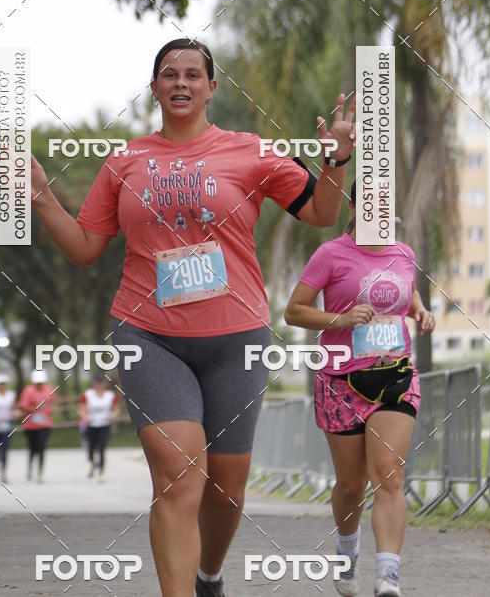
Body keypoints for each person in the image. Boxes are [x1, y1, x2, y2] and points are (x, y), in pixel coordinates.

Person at [27, 37, 356, 597]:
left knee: (226, 490)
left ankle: (209, 577)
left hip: (238, 339)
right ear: (153, 87)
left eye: (192, 74)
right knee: (178, 478)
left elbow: (323, 213)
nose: (181, 82)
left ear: (210, 87)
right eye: (169, 74)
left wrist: (337, 158)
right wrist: (40, 196)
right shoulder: (124, 161)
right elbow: (85, 248)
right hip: (149, 336)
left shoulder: (252, 151)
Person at [285, 180, 436, 597]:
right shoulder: (330, 255)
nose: (380, 210)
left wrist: (420, 311)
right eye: (372, 202)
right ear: (355, 205)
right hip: (340, 382)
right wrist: (342, 319)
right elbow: (294, 311)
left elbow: (407, 292)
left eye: (386, 203)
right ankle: (346, 550)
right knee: (351, 486)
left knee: (388, 475)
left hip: (396, 374)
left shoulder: (404, 253)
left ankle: (388, 575)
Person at [78, 372, 120, 481]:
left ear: (104, 384)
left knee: (101, 448)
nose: (99, 385)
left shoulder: (110, 396)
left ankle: (101, 473)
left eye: (101, 383)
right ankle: (92, 464)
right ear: (93, 383)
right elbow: (81, 409)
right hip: (91, 426)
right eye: (97, 383)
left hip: (104, 425)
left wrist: (112, 416)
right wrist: (85, 417)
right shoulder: (87, 395)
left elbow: (116, 410)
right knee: (91, 449)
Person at [18, 369, 55, 483]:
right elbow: (23, 406)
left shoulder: (49, 389)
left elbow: (52, 402)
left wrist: (48, 410)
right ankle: (30, 468)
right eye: (37, 383)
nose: (39, 385)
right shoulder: (28, 391)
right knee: (33, 448)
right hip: (31, 425)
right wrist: (34, 409)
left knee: (41, 446)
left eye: (41, 382)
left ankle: (40, 472)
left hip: (45, 424)